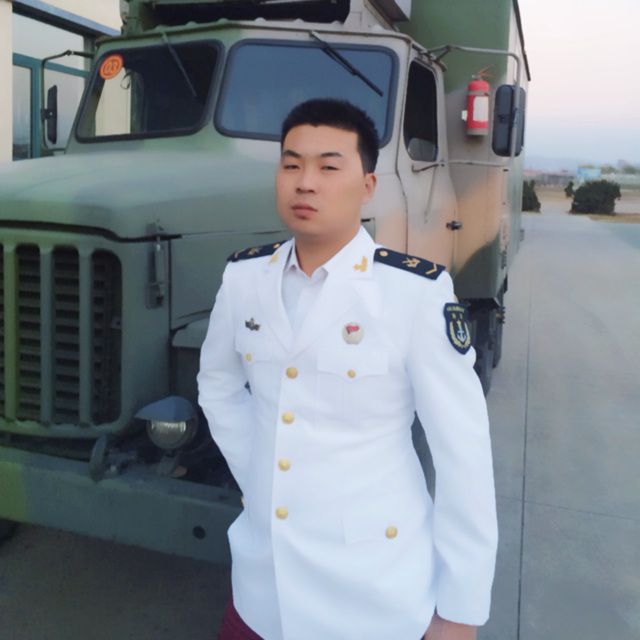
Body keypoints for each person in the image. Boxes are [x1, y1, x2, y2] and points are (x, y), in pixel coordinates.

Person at [197, 98, 498, 640]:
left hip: (373, 592)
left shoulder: (412, 293)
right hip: (262, 587)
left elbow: (463, 453)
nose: (305, 182)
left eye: (329, 166)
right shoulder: (244, 278)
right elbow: (218, 385)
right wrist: (258, 475)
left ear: (367, 186)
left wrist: (460, 609)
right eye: (291, 164)